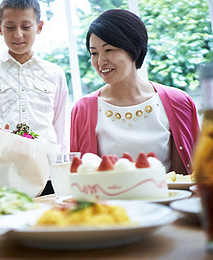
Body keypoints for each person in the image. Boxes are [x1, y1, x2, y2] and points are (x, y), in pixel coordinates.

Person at [71, 9, 200, 174]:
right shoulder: (83, 109)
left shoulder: (178, 102)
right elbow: (78, 177)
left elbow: (191, 175)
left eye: (109, 50)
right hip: (108, 200)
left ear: (136, 50)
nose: (101, 61)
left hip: (166, 198)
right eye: (94, 53)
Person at [0, 0, 69, 153]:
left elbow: (62, 131)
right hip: (2, 170)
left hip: (47, 168)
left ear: (39, 27)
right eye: (10, 27)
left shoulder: (55, 74)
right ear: (0, 28)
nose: (18, 34)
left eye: (26, 26)